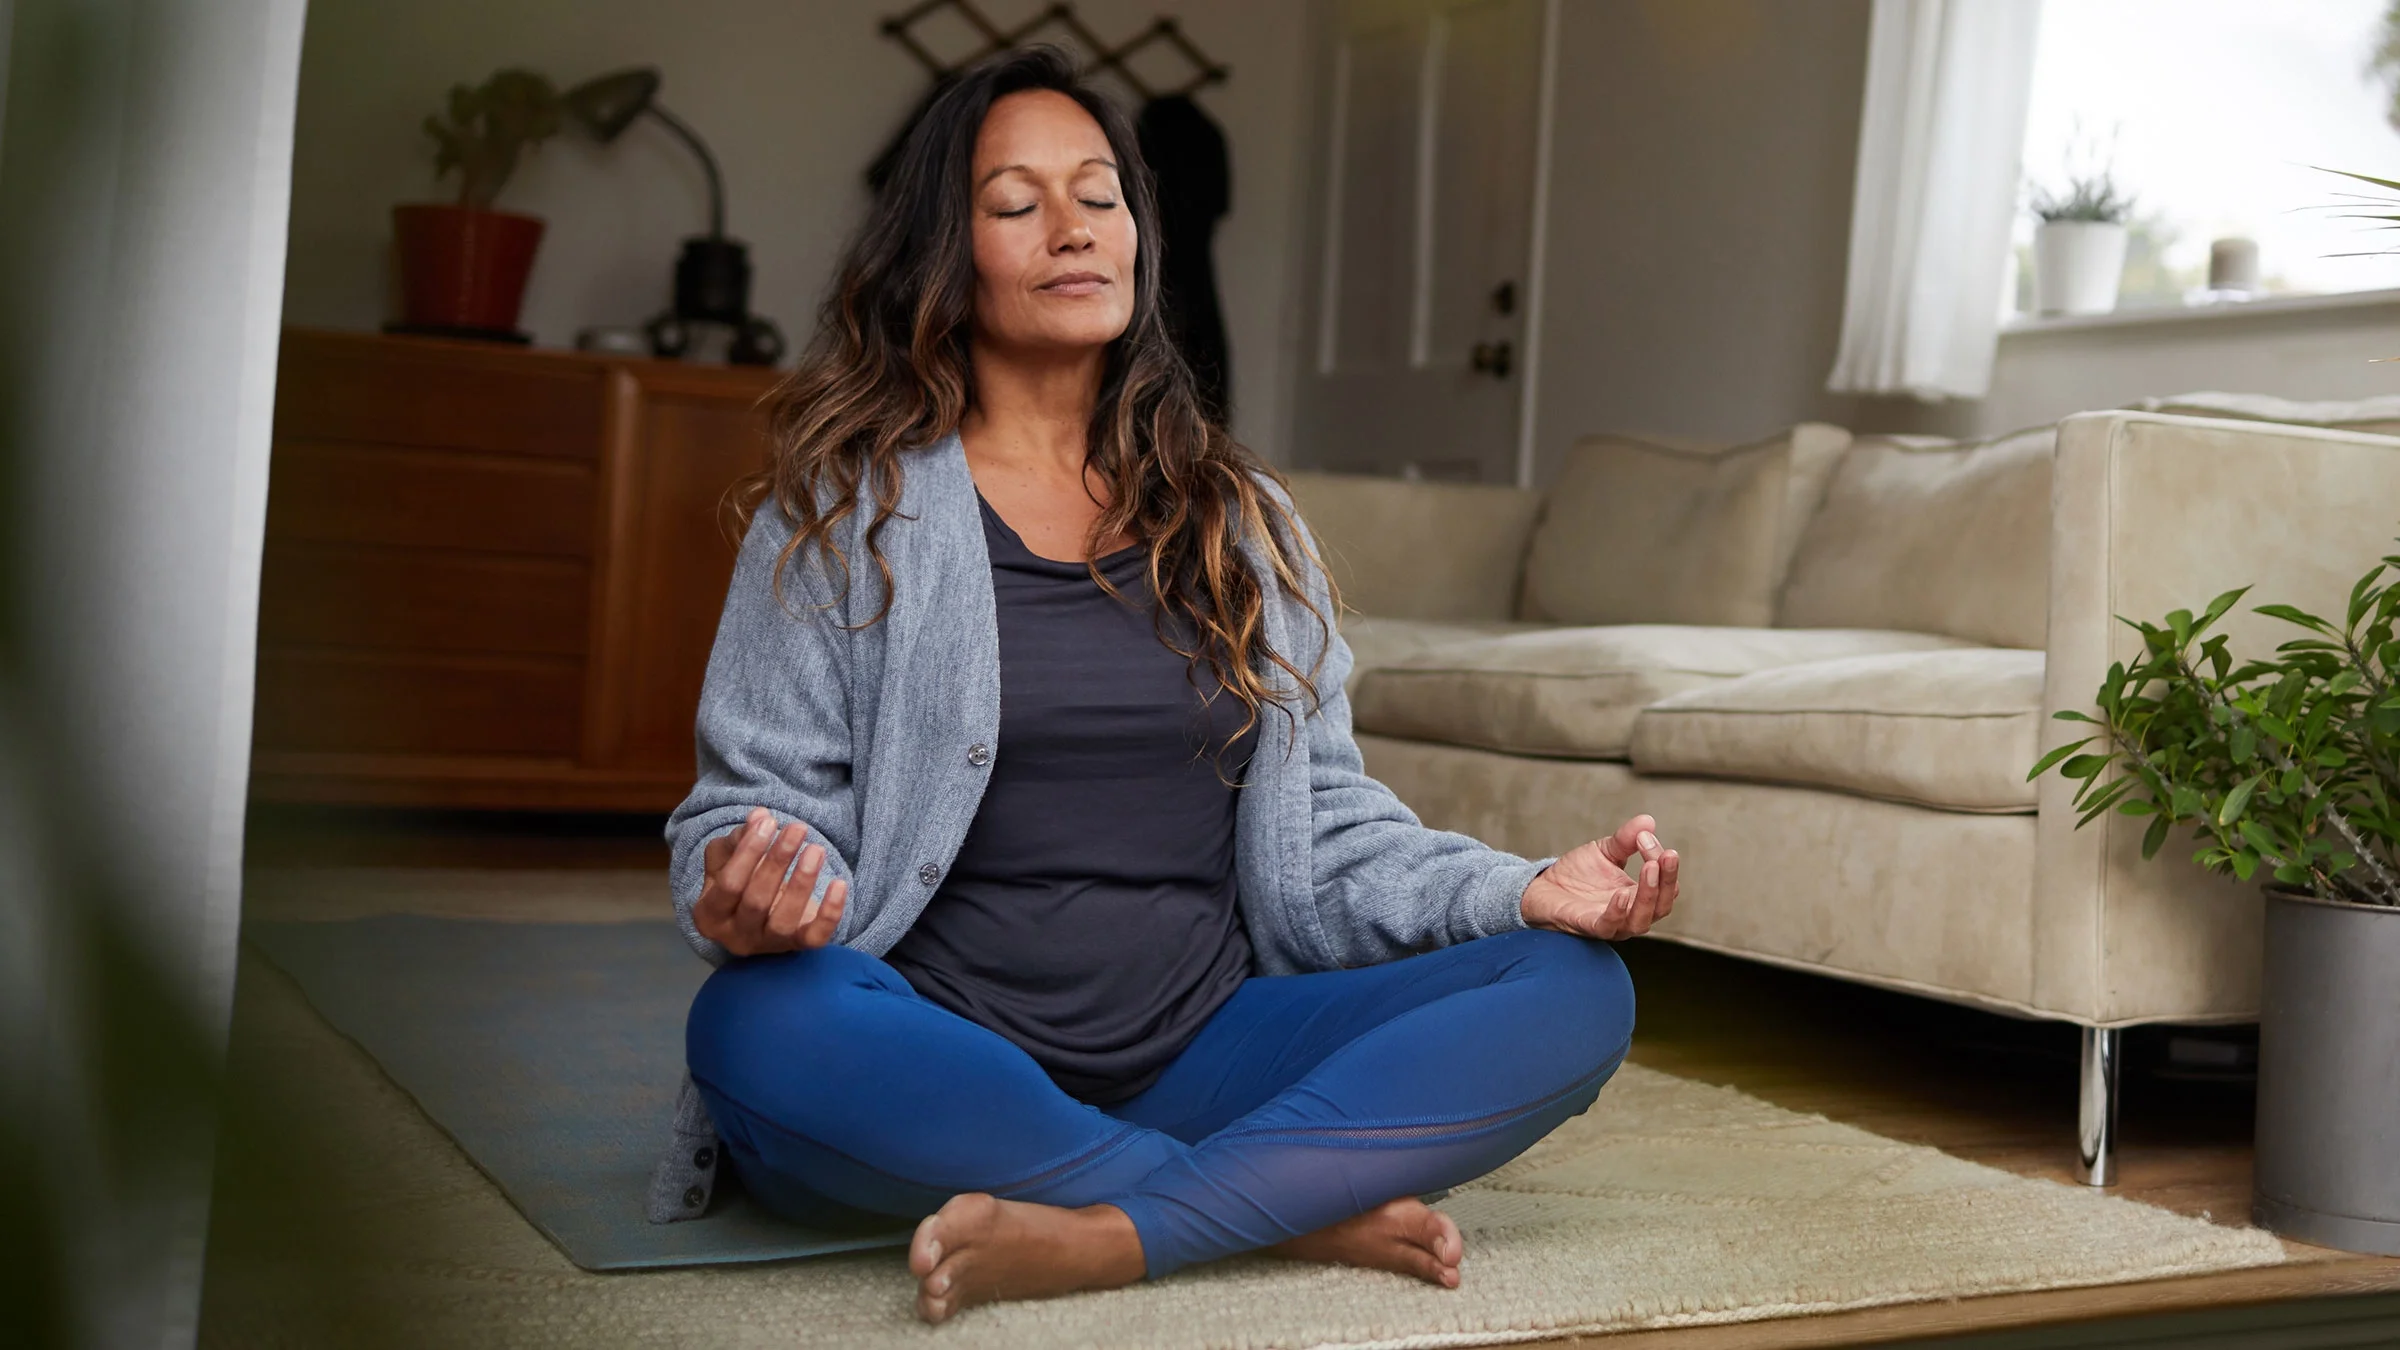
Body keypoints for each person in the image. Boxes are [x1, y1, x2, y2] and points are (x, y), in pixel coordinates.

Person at [663, 46, 1680, 1324]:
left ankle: (1107, 1227)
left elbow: (1329, 831)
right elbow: (745, 812)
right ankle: (1275, 1203)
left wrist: (1521, 889)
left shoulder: (1241, 521)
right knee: (757, 1024)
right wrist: (755, 891)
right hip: (939, 1054)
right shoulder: (841, 515)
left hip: (1208, 1052)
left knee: (1572, 987)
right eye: (1017, 203)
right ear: (943, 253)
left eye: (1099, 194)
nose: (1073, 227)